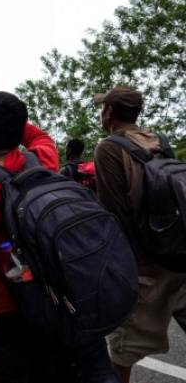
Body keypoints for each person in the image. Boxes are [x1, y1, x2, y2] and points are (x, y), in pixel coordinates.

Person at [0, 91, 118, 383]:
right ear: (19, 133)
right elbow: (39, 136)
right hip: (71, 300)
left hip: (15, 318)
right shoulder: (43, 160)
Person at [93, 86, 186, 383]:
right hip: (179, 252)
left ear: (109, 112)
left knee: (122, 352)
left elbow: (114, 216)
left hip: (146, 268)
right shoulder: (160, 140)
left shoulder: (109, 148)